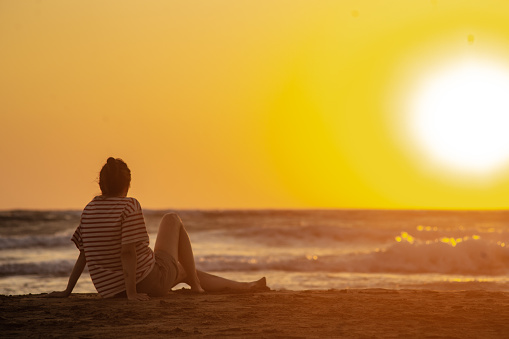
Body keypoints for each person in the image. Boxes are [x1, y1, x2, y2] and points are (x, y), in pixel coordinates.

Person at [48, 157, 267, 300]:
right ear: (127, 185)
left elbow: (84, 254)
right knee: (172, 219)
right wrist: (133, 293)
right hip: (146, 282)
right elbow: (127, 251)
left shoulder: (89, 210)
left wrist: (68, 291)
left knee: (184, 272)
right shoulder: (129, 204)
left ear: (101, 185)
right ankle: (205, 287)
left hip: (109, 291)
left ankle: (242, 286)